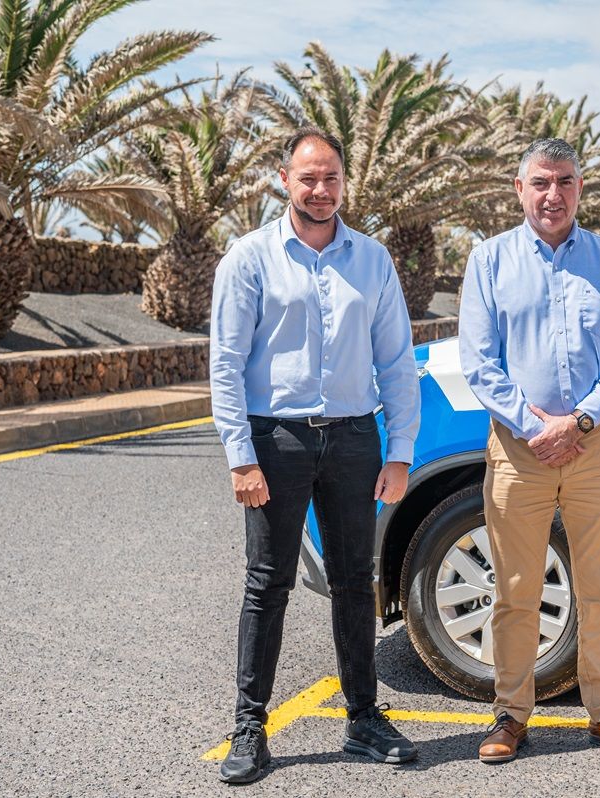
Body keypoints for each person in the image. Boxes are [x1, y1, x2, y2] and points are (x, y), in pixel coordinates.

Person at [209, 127, 422, 783]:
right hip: (278, 440)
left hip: (356, 439)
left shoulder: (372, 258)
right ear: (284, 180)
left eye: (331, 178)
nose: (321, 190)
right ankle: (251, 728)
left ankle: (363, 719)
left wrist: (400, 452)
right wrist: (240, 455)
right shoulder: (248, 259)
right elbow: (225, 364)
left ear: (343, 182)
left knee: (356, 582)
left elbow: (396, 359)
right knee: (266, 582)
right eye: (308, 178)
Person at [458, 138, 600, 763]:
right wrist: (533, 424)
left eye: (565, 181)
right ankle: (510, 715)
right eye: (541, 182)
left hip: (596, 446)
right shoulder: (488, 262)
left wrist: (582, 420)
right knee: (515, 588)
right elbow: (478, 362)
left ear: (580, 188)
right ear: (520, 189)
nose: (553, 194)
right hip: (520, 450)